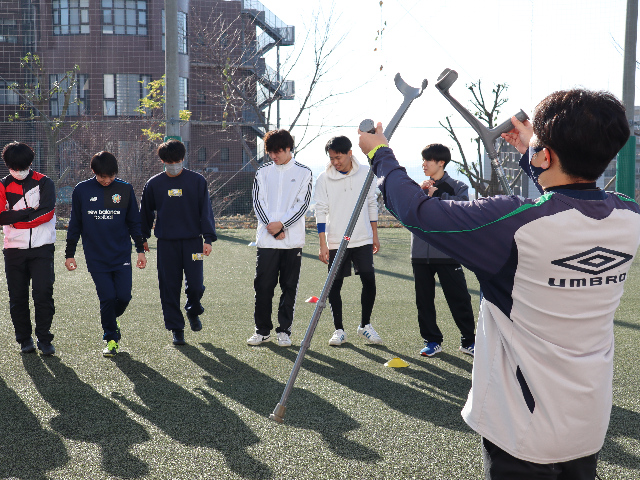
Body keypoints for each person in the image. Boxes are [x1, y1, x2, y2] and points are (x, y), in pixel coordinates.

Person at [358, 89, 640, 479]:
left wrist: (380, 155)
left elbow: (418, 211)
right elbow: (571, 200)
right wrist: (536, 154)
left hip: (522, 432)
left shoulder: (514, 224)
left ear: (548, 154)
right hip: (588, 424)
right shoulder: (629, 215)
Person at [65, 151, 147, 357]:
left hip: (121, 255)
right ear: (94, 172)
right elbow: (75, 224)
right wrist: (70, 253)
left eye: (111, 176)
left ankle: (110, 318)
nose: (107, 180)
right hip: (95, 256)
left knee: (124, 297)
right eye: (103, 177)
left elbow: (134, 223)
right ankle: (111, 338)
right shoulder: (82, 190)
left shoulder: (124, 189)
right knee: (108, 297)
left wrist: (140, 250)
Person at [140, 139, 217, 346]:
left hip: (193, 243)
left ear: (183, 159)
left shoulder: (197, 181)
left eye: (177, 160)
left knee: (196, 285)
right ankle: (176, 328)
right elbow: (145, 212)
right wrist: (143, 237)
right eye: (168, 161)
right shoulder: (154, 184)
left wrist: (208, 238)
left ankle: (193, 309)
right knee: (169, 286)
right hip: (166, 244)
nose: (173, 165)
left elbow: (206, 211)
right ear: (163, 161)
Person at [314, 135, 382, 346]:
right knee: (335, 285)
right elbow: (320, 211)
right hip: (336, 241)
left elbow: (372, 203)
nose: (335, 162)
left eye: (339, 157)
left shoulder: (366, 173)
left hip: (362, 238)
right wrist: (323, 243)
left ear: (350, 153)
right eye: (332, 158)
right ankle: (339, 330)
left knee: (369, 280)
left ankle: (365, 326)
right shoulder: (323, 178)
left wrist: (374, 234)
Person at [247, 129, 312, 347]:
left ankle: (284, 331)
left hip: (292, 241)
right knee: (263, 286)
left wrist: (282, 225)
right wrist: (273, 228)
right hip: (266, 241)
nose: (273, 156)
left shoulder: (304, 172)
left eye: (277, 152)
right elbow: (258, 203)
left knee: (288, 286)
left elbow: (302, 204)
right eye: (270, 152)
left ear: (288, 149)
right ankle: (261, 330)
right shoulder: (263, 172)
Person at [411, 144, 475, 357]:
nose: (424, 164)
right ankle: (432, 341)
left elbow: (463, 209)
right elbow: (410, 212)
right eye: (423, 160)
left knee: (459, 298)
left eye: (428, 160)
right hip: (420, 253)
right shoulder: (417, 188)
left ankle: (469, 341)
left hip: (448, 251)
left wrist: (434, 199)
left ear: (441, 162)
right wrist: (421, 195)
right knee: (424, 300)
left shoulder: (458, 186)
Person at [0, 142, 56, 355]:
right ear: (7, 166)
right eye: (14, 168)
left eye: (22, 167)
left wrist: (16, 218)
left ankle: (44, 339)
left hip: (42, 248)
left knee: (43, 294)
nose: (19, 171)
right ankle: (24, 340)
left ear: (30, 163)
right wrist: (28, 212)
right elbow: (0, 217)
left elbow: (47, 213)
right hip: (13, 249)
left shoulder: (44, 182)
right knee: (17, 296)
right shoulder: (2, 185)